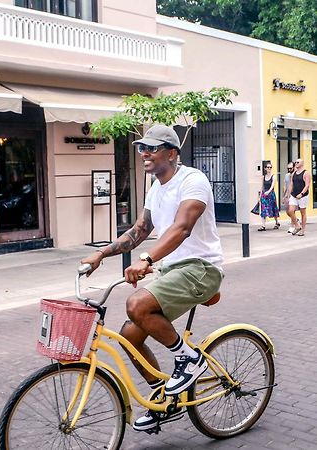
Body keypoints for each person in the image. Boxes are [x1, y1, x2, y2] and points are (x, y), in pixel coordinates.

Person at [81, 124, 224, 432]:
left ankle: (189, 360)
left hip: (201, 268)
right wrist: (101, 255)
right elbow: (139, 231)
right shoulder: (155, 188)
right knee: (131, 336)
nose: (144, 153)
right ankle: (162, 401)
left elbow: (182, 226)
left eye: (152, 148)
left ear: (172, 153)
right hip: (173, 272)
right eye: (141, 148)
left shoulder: (192, 180)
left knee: (136, 304)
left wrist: (146, 259)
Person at [288, 158, 310, 236]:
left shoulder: (306, 173)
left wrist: (301, 194)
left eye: (298, 162)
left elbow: (307, 185)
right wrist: (288, 194)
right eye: (295, 162)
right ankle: (297, 226)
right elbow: (291, 184)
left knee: (302, 213)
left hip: (302, 196)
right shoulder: (293, 173)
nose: (296, 163)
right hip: (294, 195)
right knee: (290, 211)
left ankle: (302, 230)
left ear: (302, 163)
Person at [257, 163, 280, 231]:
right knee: (264, 209)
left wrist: (269, 191)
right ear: (265, 168)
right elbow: (262, 187)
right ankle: (263, 226)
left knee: (273, 208)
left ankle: (276, 222)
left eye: (270, 167)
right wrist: (260, 196)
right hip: (264, 195)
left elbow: (273, 185)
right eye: (268, 167)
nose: (269, 169)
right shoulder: (263, 177)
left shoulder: (273, 176)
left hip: (271, 195)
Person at [283, 162, 298, 233]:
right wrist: (284, 195)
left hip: (294, 195)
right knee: (287, 211)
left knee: (292, 210)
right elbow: (285, 185)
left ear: (294, 167)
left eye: (290, 168)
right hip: (287, 195)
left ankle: (292, 226)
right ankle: (295, 219)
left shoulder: (296, 175)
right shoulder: (286, 175)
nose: (289, 170)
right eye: (288, 168)